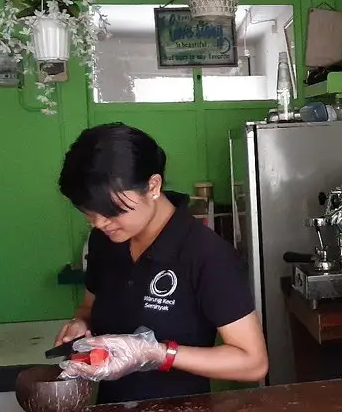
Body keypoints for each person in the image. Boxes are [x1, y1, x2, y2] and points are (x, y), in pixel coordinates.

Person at [53, 122, 268, 404]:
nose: (100, 223)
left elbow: (252, 363)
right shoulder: (104, 241)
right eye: (89, 213)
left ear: (153, 186)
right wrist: (79, 323)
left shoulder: (205, 253)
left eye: (111, 211)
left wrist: (157, 354)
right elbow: (88, 307)